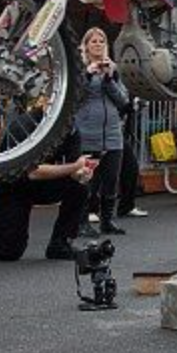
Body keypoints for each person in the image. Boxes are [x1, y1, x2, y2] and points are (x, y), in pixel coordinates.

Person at [0, 128, 95, 262]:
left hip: (41, 184)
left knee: (79, 186)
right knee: (10, 251)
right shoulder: (24, 126)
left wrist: (81, 174)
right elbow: (32, 172)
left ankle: (60, 245)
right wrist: (75, 167)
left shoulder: (70, 130)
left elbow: (74, 171)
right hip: (10, 188)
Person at [74, 28, 132, 237]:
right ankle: (81, 222)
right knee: (87, 181)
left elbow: (123, 100)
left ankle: (107, 221)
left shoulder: (112, 68)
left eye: (101, 41)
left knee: (111, 180)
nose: (98, 44)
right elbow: (76, 96)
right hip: (88, 133)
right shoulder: (80, 68)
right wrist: (89, 74)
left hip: (113, 133)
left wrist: (109, 79)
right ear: (86, 46)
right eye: (93, 41)